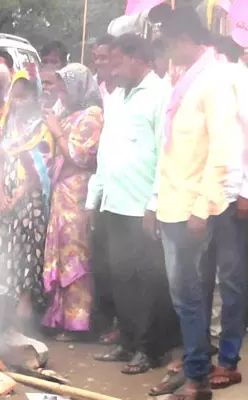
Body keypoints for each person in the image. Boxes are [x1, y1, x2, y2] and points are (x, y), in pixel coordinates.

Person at [147, 8, 244, 399]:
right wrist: (154, 202)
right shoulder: (186, 81)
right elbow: (172, 150)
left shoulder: (215, 82)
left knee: (190, 297)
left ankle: (196, 381)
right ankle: (194, 366)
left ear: (185, 39)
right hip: (173, 206)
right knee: (187, 297)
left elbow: (223, 152)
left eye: (169, 43)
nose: (167, 51)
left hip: (193, 210)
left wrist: (202, 209)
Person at [87, 34, 177, 375]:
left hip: (142, 208)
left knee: (148, 282)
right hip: (114, 203)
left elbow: (165, 155)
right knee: (120, 278)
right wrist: (93, 199)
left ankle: (149, 349)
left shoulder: (160, 96)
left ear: (140, 59)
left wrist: (154, 204)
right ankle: (127, 343)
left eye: (119, 61)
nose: (113, 68)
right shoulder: (118, 97)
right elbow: (106, 154)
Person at [41, 63, 103, 342]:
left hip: (77, 194)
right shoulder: (66, 113)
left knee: (75, 257)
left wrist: (56, 131)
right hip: (61, 194)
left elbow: (80, 157)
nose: (61, 93)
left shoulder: (91, 116)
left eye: (64, 87)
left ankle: (78, 323)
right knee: (61, 253)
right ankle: (59, 317)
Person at [0, 73, 54, 326]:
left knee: (28, 254)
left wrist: (17, 196)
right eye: (15, 95)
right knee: (4, 252)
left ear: (34, 97)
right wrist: (1, 194)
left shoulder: (41, 128)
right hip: (7, 197)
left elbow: (40, 170)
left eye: (25, 96)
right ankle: (3, 310)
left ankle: (24, 314)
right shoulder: (6, 126)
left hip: (30, 201)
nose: (19, 101)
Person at [88, 33, 122, 344]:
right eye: (96, 57)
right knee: (102, 260)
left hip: (126, 190)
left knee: (121, 264)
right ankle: (107, 320)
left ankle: (121, 326)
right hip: (100, 186)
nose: (101, 63)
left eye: (106, 57)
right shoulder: (96, 91)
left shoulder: (125, 92)